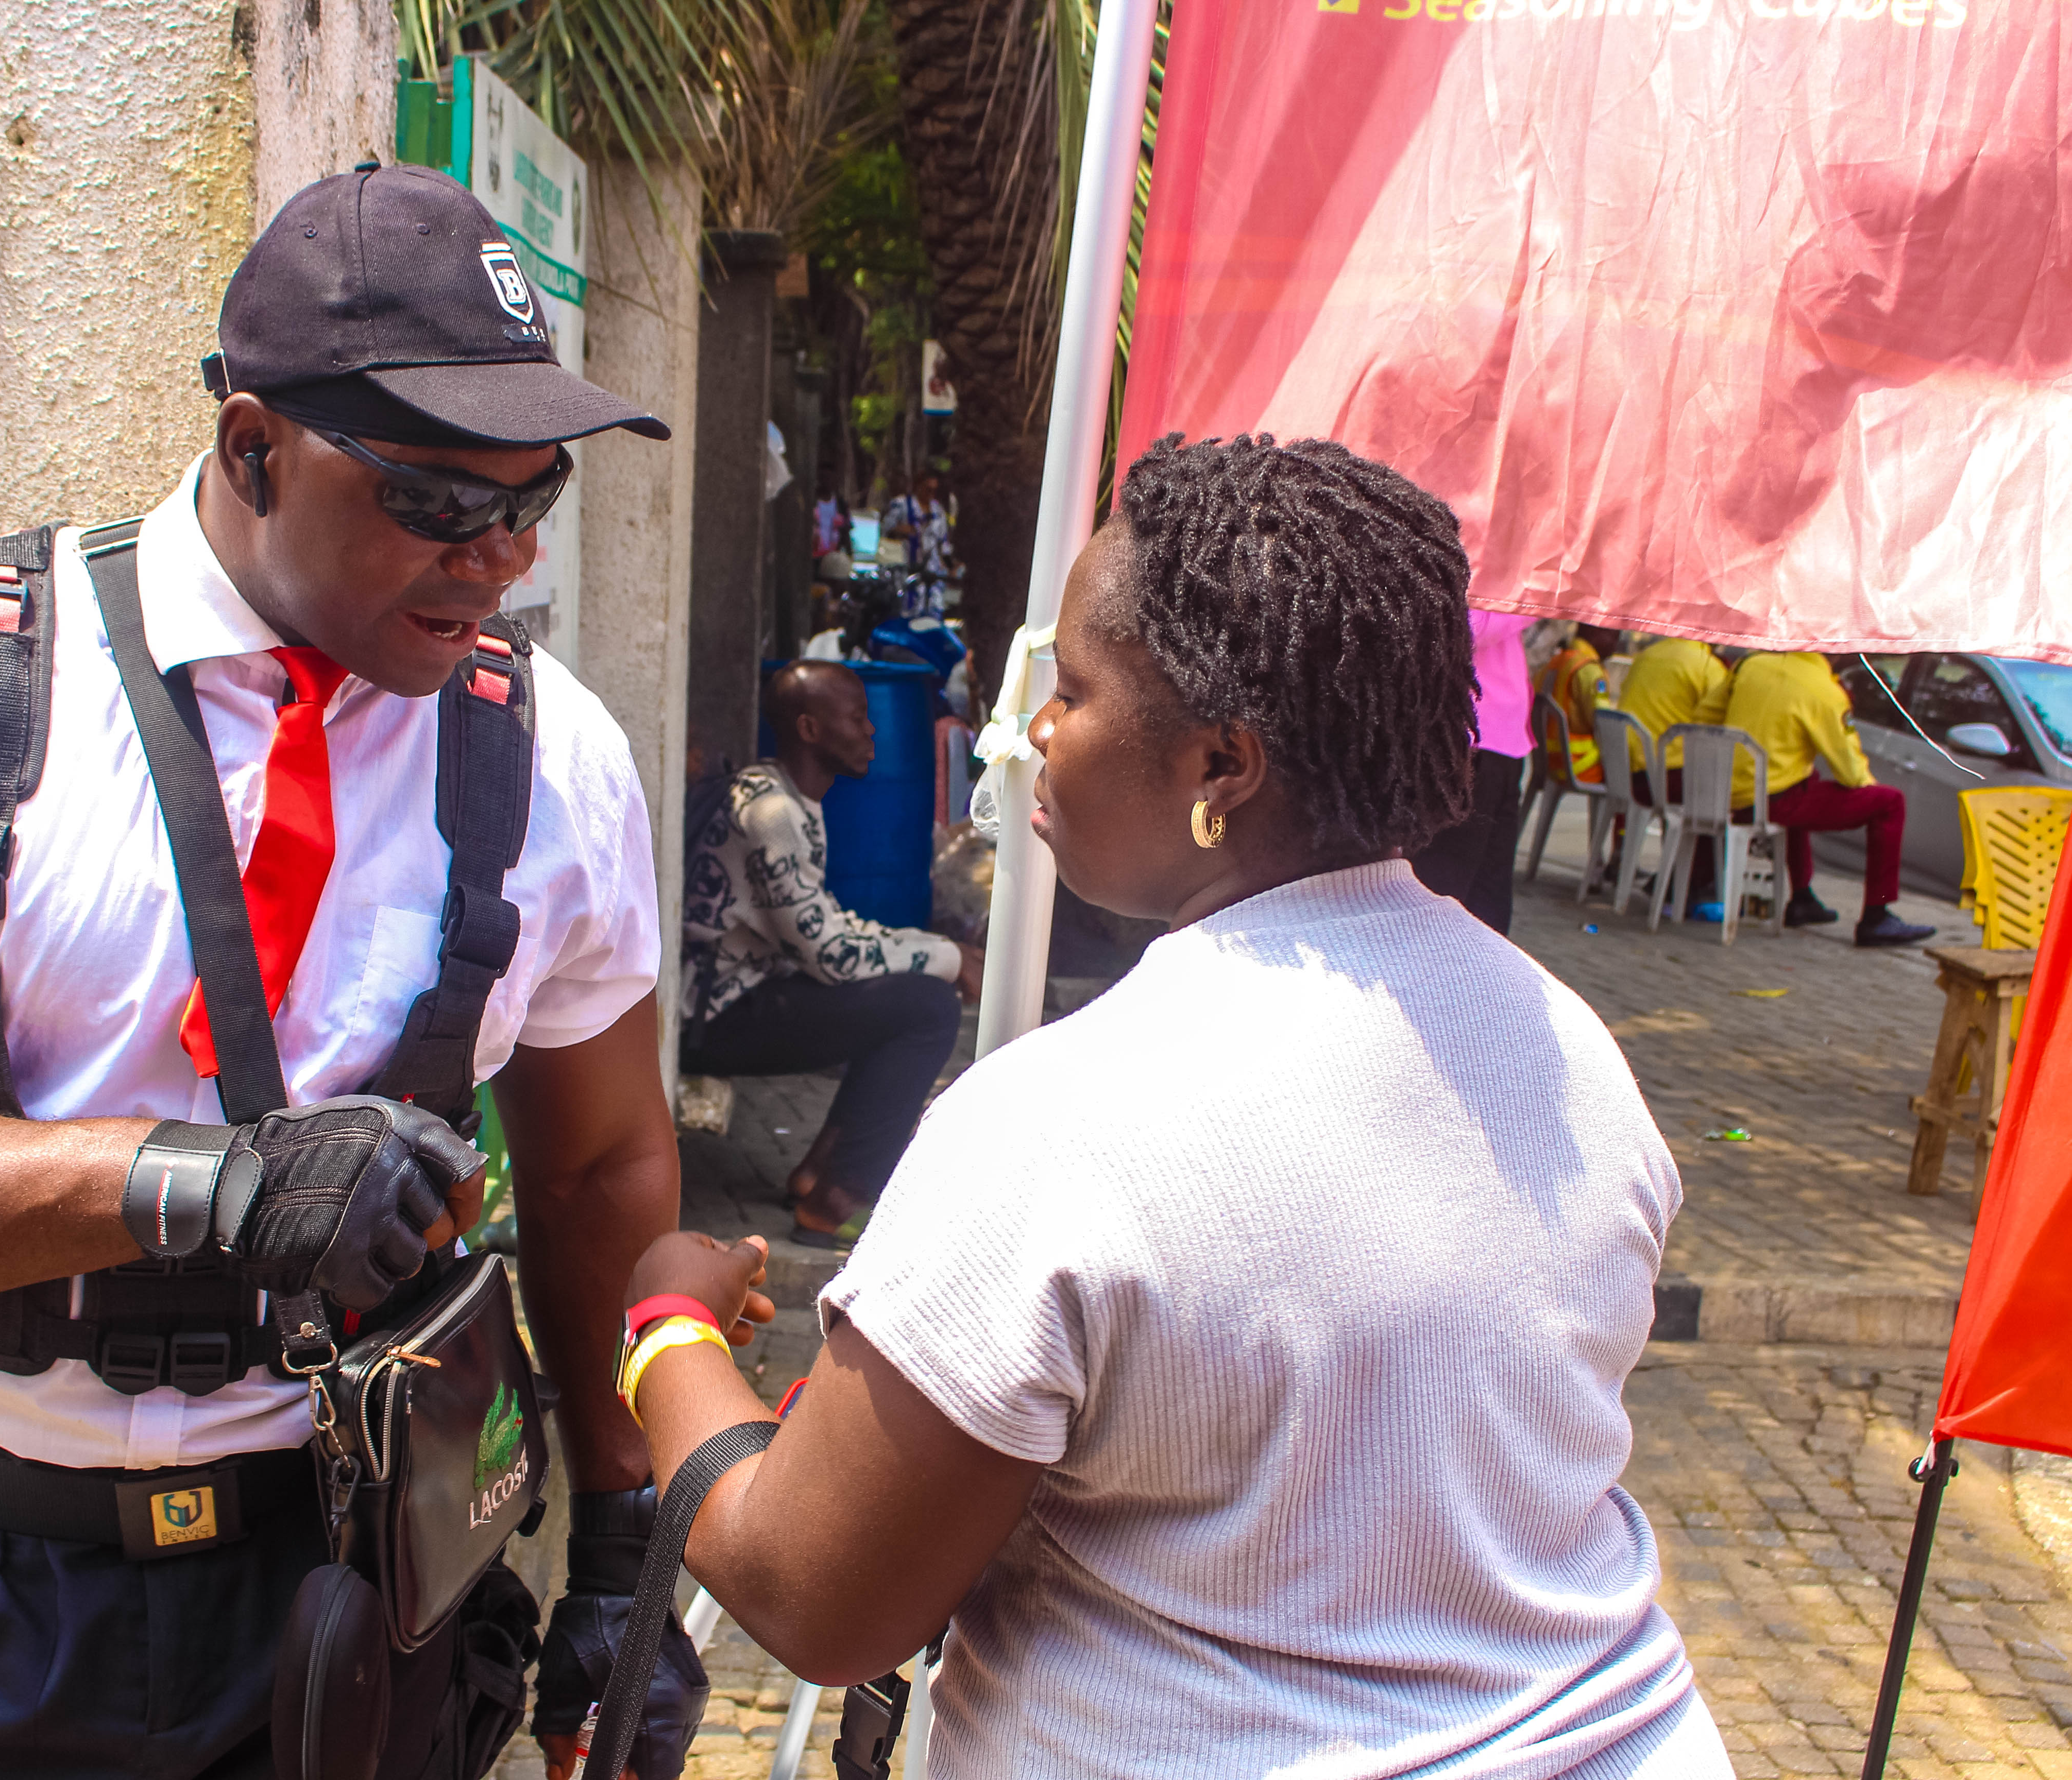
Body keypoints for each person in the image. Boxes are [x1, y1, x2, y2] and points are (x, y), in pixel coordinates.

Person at [0, 167, 708, 1780]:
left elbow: (599, 1165)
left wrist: (630, 1545)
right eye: (439, 501)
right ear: (251, 446)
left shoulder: (551, 759)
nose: (500, 556)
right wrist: (187, 1188)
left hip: (366, 1597)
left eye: (536, 497)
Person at [621, 436, 1731, 1780]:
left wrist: (667, 1328)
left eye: (1074, 694)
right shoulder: (1571, 1057)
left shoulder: (1062, 1120)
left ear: (1220, 767)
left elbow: (813, 1590)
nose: (1032, 736)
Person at [680, 662, 982, 1247]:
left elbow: (825, 926)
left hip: (743, 991)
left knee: (907, 997)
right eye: (857, 718)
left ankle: (818, 1174)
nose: (871, 731)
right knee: (925, 1010)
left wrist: (935, 950)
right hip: (711, 1015)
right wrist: (946, 959)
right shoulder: (773, 815)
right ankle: (838, 1200)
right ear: (811, 730)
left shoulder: (783, 793)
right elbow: (834, 957)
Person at [1722, 650, 1937, 945]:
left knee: (1806, 782)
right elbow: (1849, 771)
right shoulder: (1824, 691)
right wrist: (1868, 790)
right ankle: (1877, 914)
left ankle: (1802, 897)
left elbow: (1707, 715)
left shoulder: (1750, 666)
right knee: (1890, 803)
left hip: (1727, 794)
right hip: (1774, 802)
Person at [1409, 608, 1533, 933]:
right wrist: (1531, 603)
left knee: (1488, 895)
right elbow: (1460, 627)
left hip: (1502, 741)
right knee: (1442, 888)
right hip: (1466, 734)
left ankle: (1482, 981)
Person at [1618, 633, 1733, 916]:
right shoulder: (1706, 666)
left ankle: (1675, 878)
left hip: (1629, 774)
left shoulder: (1648, 655)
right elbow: (1721, 722)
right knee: (1719, 802)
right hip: (1668, 780)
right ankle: (1690, 887)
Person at [1537, 621, 1620, 785]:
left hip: (1548, 761)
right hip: (1580, 765)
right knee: (1629, 779)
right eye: (1613, 636)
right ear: (1595, 633)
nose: (1615, 645)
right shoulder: (1588, 669)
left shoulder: (1555, 661)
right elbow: (1603, 724)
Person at [881, 471, 957, 618]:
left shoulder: (938, 511)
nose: (931, 493)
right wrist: (903, 530)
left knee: (933, 615)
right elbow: (886, 530)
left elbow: (943, 544)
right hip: (907, 573)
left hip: (932, 574)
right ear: (918, 486)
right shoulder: (902, 505)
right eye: (928, 489)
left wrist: (951, 567)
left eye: (934, 490)